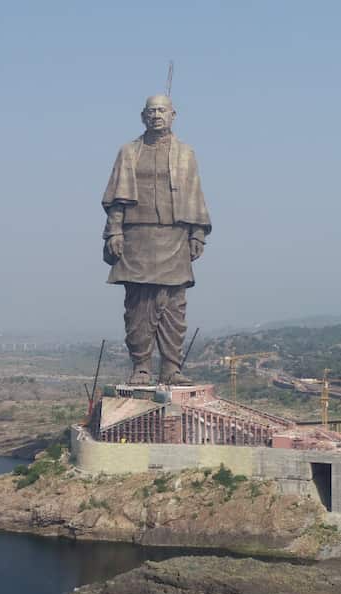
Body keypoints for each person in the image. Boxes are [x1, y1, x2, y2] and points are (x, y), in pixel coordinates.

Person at [100, 94, 211, 385]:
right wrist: (115, 230)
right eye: (151, 111)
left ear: (174, 115)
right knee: (138, 305)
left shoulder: (186, 153)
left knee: (173, 305)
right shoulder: (129, 151)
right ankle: (141, 366)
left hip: (174, 237)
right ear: (142, 116)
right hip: (138, 237)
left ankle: (171, 367)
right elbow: (115, 199)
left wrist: (197, 233)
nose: (156, 115)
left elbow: (195, 195)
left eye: (162, 110)